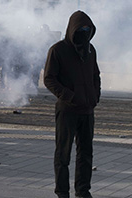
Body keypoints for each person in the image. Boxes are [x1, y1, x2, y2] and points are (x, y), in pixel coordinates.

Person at [44, 11, 101, 198]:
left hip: (87, 110)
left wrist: (95, 96)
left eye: (87, 29)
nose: (84, 33)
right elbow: (49, 79)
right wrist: (69, 96)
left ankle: (83, 191)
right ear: (72, 29)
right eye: (81, 29)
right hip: (67, 109)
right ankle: (62, 192)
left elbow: (95, 75)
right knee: (63, 153)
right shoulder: (57, 50)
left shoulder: (91, 50)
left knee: (85, 154)